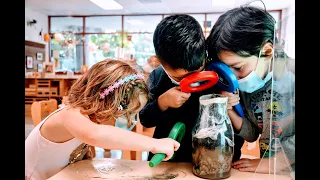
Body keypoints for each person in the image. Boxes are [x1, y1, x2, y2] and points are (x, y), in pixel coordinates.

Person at [25, 60, 180, 180]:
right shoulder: (69, 114)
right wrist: (154, 144)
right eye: (125, 114)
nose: (129, 122)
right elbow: (96, 135)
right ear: (106, 103)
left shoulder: (88, 118)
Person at [139, 14, 244, 163]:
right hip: (169, 159)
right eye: (180, 79)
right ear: (160, 62)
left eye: (197, 73)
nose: (191, 81)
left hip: (211, 159)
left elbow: (240, 125)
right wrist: (162, 103)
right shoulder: (158, 77)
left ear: (204, 52)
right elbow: (145, 120)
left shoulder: (220, 75)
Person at [206, 4, 295, 174]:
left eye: (238, 68)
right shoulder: (251, 83)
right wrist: (230, 110)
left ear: (267, 51)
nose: (235, 80)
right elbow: (252, 133)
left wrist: (270, 163)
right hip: (272, 173)